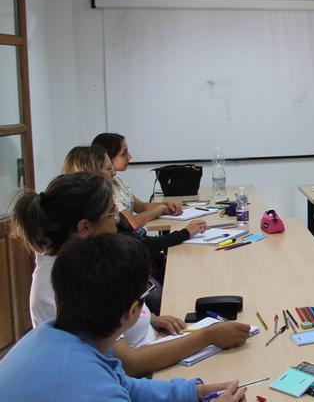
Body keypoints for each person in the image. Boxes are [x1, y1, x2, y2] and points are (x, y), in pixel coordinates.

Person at [10, 173, 251, 377]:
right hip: (140, 371)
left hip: (152, 346)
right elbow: (129, 364)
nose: (116, 225)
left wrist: (150, 319)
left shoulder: (82, 260)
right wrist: (207, 336)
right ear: (84, 227)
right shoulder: (64, 284)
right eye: (111, 216)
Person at [0, 233, 246, 401]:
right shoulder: (88, 383)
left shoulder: (61, 335)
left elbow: (126, 386)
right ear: (133, 311)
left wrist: (193, 392)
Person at [61, 145, 207, 313]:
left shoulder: (106, 202)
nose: (114, 173)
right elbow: (136, 238)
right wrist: (184, 233)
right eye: (109, 169)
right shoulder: (92, 268)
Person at [92, 132, 183, 228]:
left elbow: (142, 207)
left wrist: (166, 205)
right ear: (108, 157)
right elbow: (133, 223)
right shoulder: (103, 190)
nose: (130, 157)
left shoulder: (117, 180)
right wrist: (159, 210)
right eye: (124, 153)